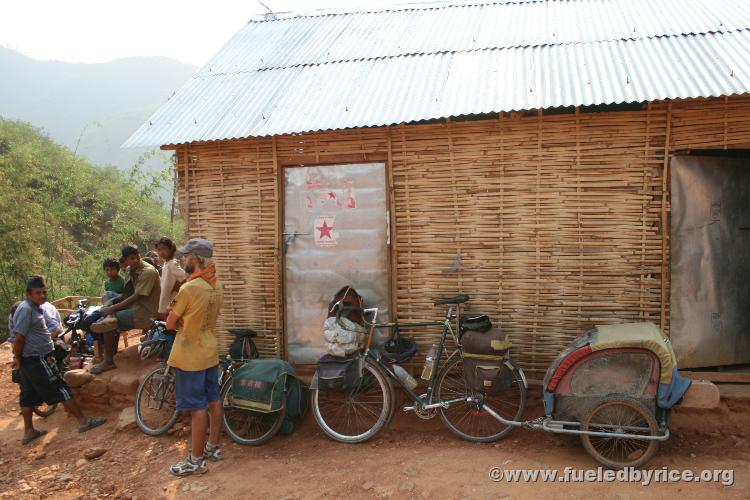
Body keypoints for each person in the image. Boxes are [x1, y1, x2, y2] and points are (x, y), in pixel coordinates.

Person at [12, 276, 106, 444]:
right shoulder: (27, 309)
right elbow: (19, 338)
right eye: (38, 293)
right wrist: (17, 358)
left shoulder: (35, 307)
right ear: (29, 294)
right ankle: (83, 421)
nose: (42, 296)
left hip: (30, 359)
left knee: (28, 394)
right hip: (37, 358)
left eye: (44, 292)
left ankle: (28, 431)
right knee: (60, 387)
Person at [166, 238, 223, 476]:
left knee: (197, 408)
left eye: (187, 256)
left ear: (197, 260)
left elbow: (170, 323)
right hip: (209, 351)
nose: (183, 259)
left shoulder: (189, 288)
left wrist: (179, 320)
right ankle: (212, 447)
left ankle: (196, 461)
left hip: (190, 356)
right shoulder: (215, 285)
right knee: (214, 401)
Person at [90, 245, 161, 374]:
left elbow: (136, 296)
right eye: (131, 258)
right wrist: (111, 303)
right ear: (125, 260)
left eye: (137, 257)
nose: (135, 260)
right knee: (108, 295)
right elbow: (126, 294)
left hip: (145, 312)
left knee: (108, 323)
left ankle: (108, 361)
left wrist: (112, 309)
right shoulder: (129, 270)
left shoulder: (148, 271)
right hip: (135, 305)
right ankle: (110, 317)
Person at [155, 237, 186, 320]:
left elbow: (186, 277)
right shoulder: (167, 263)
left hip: (171, 301)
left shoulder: (172, 264)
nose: (161, 252)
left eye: (164, 249)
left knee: (171, 322)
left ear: (171, 249)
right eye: (159, 249)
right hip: (167, 299)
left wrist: (178, 286)